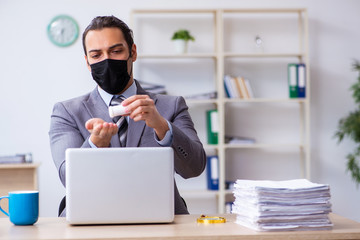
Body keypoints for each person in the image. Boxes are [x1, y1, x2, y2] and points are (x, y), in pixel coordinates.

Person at [49, 16, 206, 217]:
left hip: (161, 216)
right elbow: (67, 178)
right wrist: (94, 145)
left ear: (132, 52)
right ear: (88, 62)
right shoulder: (67, 112)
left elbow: (195, 167)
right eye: (96, 55)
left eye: (116, 51)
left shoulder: (171, 106)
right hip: (89, 217)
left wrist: (162, 126)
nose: (106, 61)